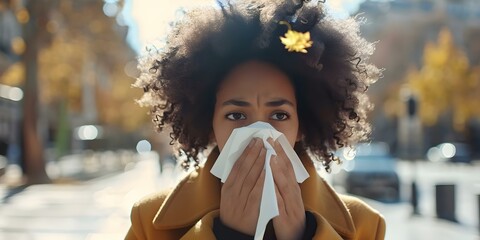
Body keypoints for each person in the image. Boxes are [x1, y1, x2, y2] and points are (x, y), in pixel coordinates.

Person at [126, 0, 385, 239]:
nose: (259, 132)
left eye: (279, 115)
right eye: (236, 115)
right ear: (210, 125)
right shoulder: (147, 223)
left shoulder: (365, 226)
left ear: (302, 126)